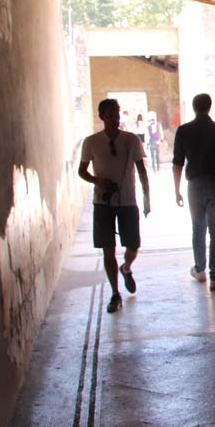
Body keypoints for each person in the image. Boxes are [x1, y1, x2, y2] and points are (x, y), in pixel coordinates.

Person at [79, 98, 150, 313]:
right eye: (110, 114)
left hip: (127, 199)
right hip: (103, 202)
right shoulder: (91, 142)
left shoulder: (130, 140)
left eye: (117, 114)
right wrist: (97, 181)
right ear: (102, 116)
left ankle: (126, 267)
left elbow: (141, 169)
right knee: (107, 249)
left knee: (133, 246)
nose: (115, 118)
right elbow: (82, 171)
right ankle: (115, 293)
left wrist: (147, 196)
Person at [173, 94, 215, 291]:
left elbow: (177, 163)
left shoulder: (183, 130)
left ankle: (200, 269)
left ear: (194, 108)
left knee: (198, 227)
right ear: (209, 107)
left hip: (195, 184)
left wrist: (177, 190)